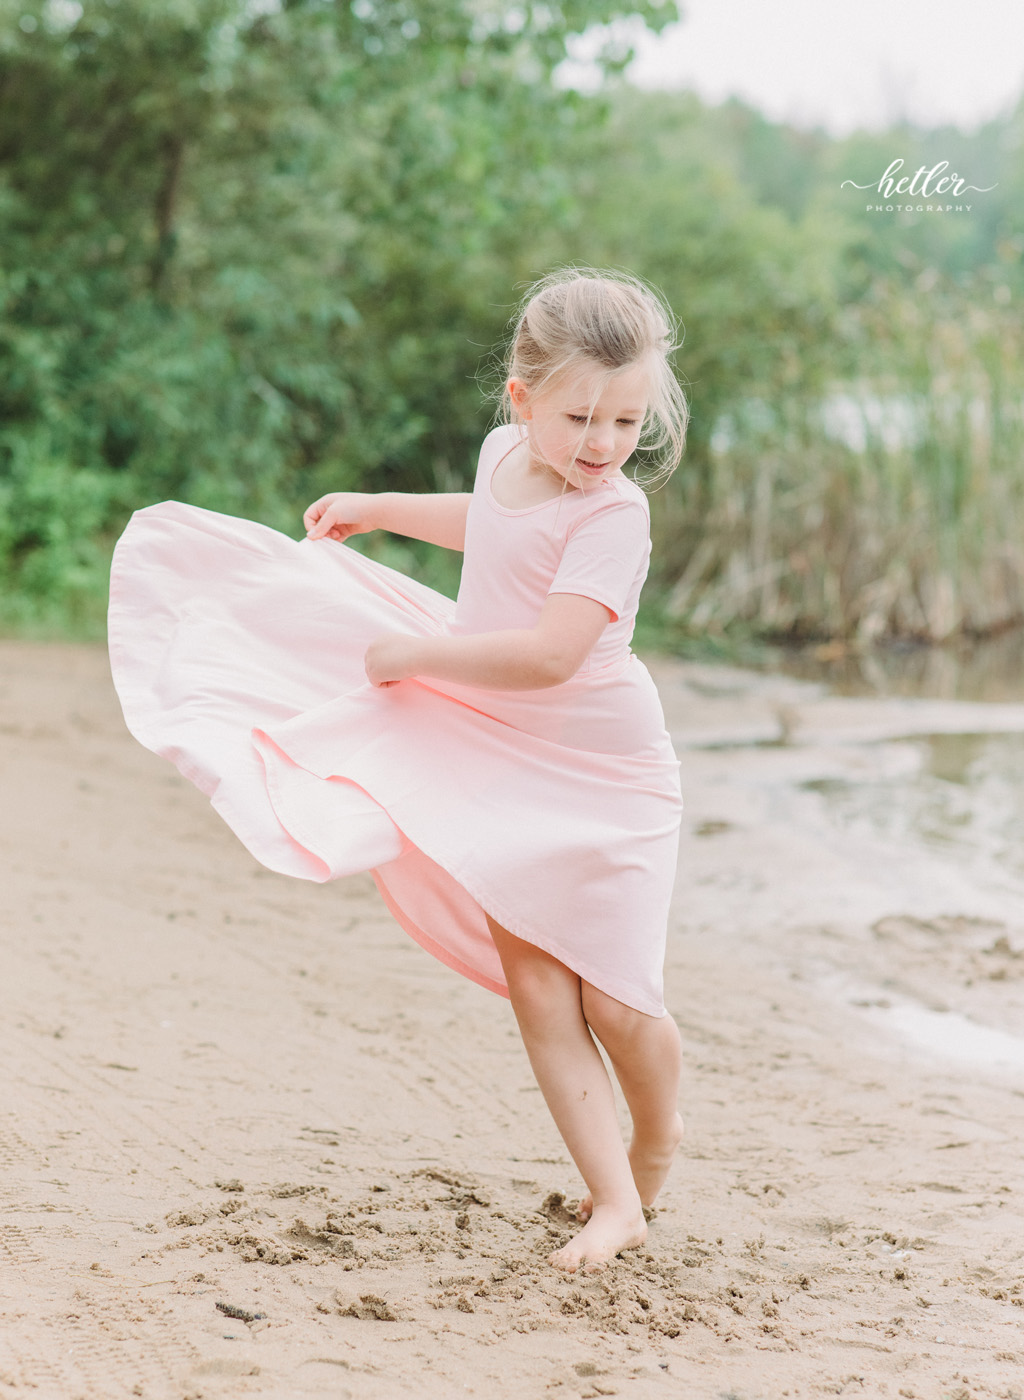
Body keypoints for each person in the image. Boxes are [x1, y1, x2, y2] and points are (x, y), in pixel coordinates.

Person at [107, 267, 688, 1273]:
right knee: (542, 990)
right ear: (522, 401)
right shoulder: (509, 452)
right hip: (493, 752)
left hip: (599, 761)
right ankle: (613, 1200)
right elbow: (496, 521)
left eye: (625, 421)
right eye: (578, 417)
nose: (600, 445)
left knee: (620, 1002)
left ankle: (658, 1132)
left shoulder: (613, 515)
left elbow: (552, 653)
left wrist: (417, 655)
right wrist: (380, 507)